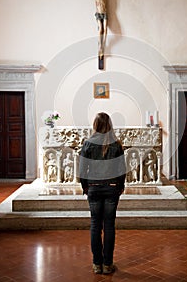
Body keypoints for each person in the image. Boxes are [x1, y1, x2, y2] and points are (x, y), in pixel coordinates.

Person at [79, 112, 126, 275]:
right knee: (109, 226)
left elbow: (82, 170)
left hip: (94, 187)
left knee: (95, 225)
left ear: (95, 125)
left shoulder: (88, 143)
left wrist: (86, 187)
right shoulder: (116, 144)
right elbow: (121, 169)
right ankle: (107, 264)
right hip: (112, 187)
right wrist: (120, 186)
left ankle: (96, 264)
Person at [67, 0, 133, 60]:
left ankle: (102, 47)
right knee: (100, 30)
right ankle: (100, 48)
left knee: (105, 30)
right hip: (98, 14)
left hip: (104, 13)